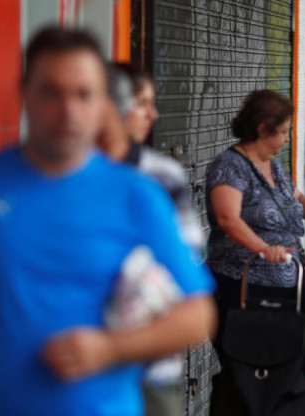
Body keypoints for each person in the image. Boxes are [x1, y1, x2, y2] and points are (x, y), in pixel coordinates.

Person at [0, 27, 216, 416]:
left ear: (103, 105)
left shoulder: (137, 195)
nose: (68, 110)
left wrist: (108, 349)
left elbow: (198, 315)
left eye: (83, 94)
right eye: (51, 92)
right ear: (24, 93)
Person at [206, 90, 305, 415]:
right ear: (262, 129)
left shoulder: (272, 165)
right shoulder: (229, 167)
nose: (287, 139)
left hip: (286, 294)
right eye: (283, 131)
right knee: (250, 380)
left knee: (289, 380)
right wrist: (264, 249)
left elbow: (297, 197)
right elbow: (227, 218)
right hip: (244, 291)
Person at [100, 65, 200, 416]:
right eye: (141, 102)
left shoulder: (162, 176)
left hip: (151, 367)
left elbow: (187, 278)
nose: (151, 114)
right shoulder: (57, 177)